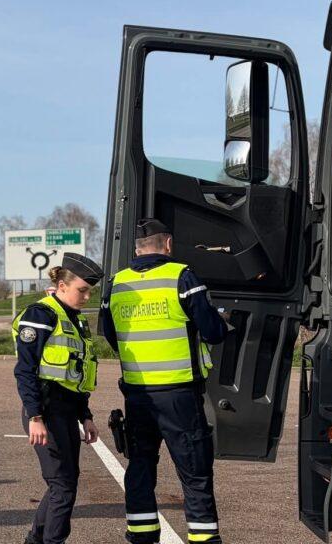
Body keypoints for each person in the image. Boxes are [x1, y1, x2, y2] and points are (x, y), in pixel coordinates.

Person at [101, 218, 228, 544]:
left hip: (138, 396)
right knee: (195, 473)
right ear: (168, 244)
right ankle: (203, 540)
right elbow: (213, 331)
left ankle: (142, 536)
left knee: (141, 467)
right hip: (179, 394)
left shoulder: (116, 284)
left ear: (137, 249)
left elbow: (111, 336)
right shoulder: (181, 277)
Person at [12, 253, 103, 544]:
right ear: (62, 285)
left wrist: (86, 416)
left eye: (90, 291)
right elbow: (25, 371)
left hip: (66, 411)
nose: (87, 296)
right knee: (62, 486)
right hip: (45, 411)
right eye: (82, 290)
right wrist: (35, 416)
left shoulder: (74, 321)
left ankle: (34, 540)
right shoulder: (40, 315)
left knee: (63, 484)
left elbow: (74, 377)